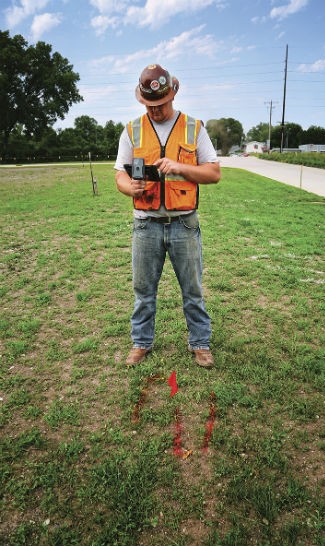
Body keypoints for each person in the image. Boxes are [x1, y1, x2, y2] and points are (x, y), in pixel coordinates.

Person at [114, 63, 220, 368]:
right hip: (146, 225)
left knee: (193, 290)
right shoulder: (132, 129)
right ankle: (141, 342)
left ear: (172, 94)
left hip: (184, 224)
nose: (156, 110)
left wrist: (179, 166)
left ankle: (200, 343)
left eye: (160, 104)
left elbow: (213, 173)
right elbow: (119, 175)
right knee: (143, 291)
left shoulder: (194, 127)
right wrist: (129, 188)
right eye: (150, 105)